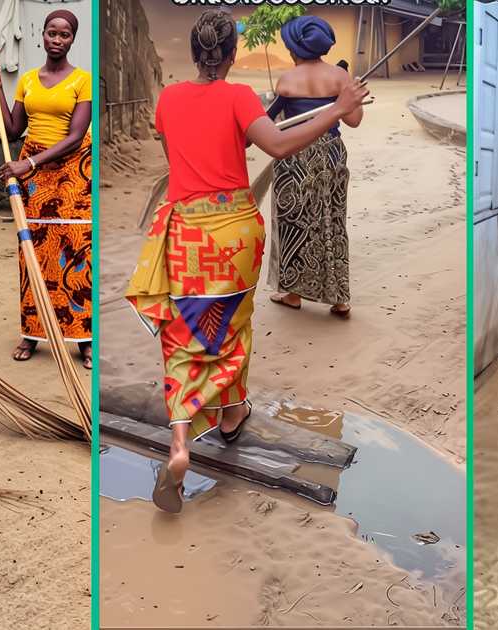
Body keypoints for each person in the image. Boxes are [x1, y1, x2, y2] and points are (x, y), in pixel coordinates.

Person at [125, 9, 367, 513]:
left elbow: (177, 157)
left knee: (185, 332)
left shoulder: (168, 98)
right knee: (230, 327)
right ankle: (231, 415)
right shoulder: (239, 97)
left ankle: (180, 441)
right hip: (233, 231)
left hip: (186, 230)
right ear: (233, 54)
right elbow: (278, 146)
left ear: (195, 53)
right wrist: (337, 107)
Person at [0, 8, 93, 369]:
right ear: (41, 35)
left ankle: (83, 338)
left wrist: (27, 164)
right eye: (51, 33)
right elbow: (14, 129)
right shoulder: (29, 80)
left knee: (75, 253)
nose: (57, 40)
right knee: (33, 251)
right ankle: (32, 333)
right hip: (34, 173)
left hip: (72, 171)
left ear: (72, 39)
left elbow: (76, 137)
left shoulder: (83, 80)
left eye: (64, 35)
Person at [266, 16, 363, 318]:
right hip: (332, 155)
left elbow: (270, 121)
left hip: (295, 155)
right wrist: (347, 94)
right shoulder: (340, 78)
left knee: (294, 222)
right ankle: (341, 299)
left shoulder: (287, 80)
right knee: (332, 220)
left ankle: (293, 294)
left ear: (295, 48)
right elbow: (354, 120)